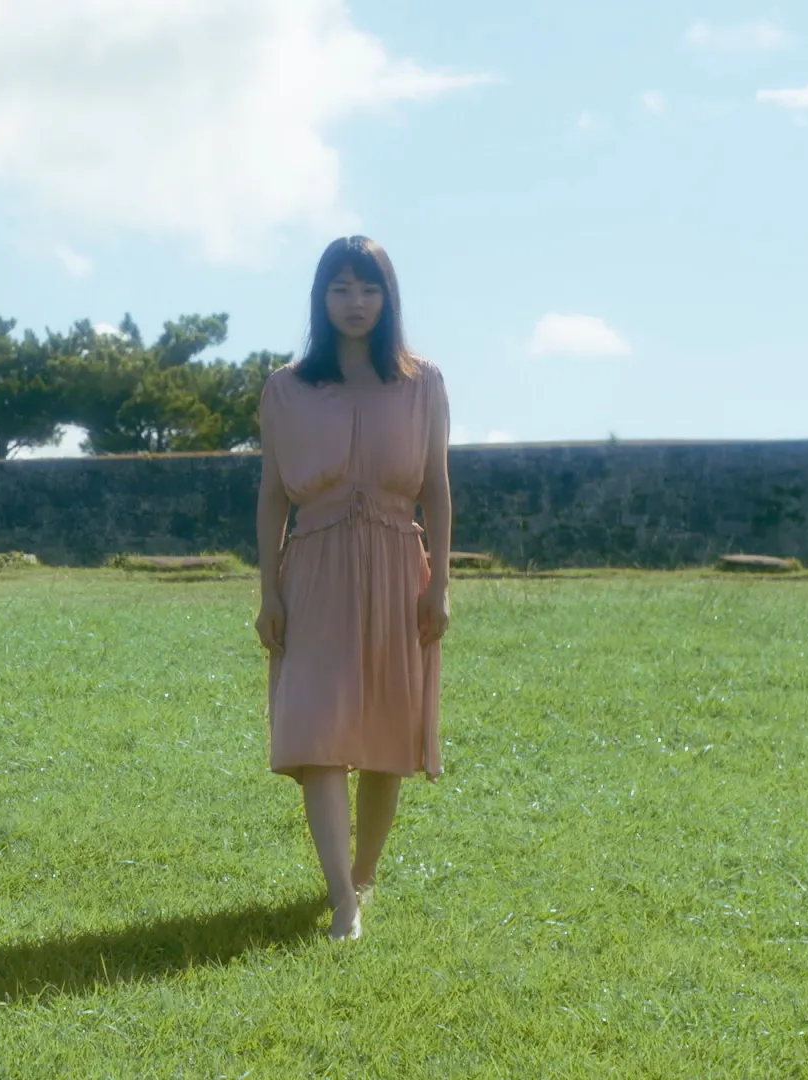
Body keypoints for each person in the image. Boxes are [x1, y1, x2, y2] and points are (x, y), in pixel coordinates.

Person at [254, 235, 452, 942]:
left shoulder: (423, 384)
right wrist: (268, 592)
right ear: (321, 298)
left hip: (399, 566)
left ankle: (363, 876)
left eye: (368, 288)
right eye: (340, 288)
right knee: (317, 728)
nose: (355, 302)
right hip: (313, 568)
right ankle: (343, 898)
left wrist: (440, 585)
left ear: (387, 297)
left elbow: (437, 490)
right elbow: (273, 497)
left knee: (387, 733)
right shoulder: (285, 389)